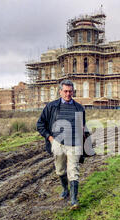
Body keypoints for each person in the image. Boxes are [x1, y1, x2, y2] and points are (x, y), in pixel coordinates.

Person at [36, 79, 86, 210]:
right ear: (60, 92)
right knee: (60, 170)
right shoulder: (51, 107)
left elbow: (82, 127)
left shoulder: (79, 108)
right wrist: (50, 138)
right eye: (65, 91)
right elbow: (40, 124)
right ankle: (65, 189)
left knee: (73, 171)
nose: (68, 94)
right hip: (58, 143)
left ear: (73, 92)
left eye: (70, 91)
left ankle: (74, 200)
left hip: (74, 144)